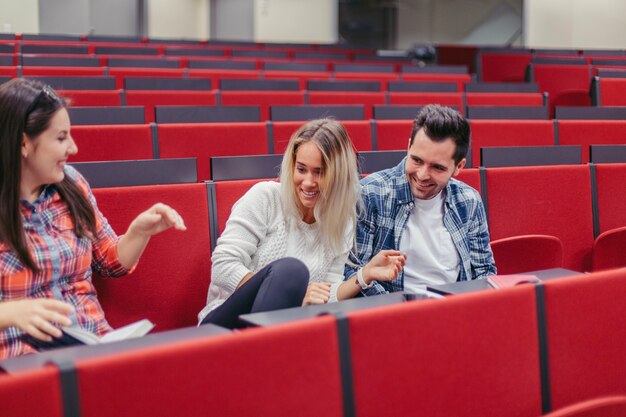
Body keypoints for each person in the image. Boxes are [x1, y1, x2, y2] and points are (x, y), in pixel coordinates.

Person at [0, 78, 187, 359]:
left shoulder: (72, 184)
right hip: (22, 359)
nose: (73, 148)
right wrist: (9, 312)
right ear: (23, 143)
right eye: (61, 138)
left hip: (93, 343)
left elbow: (111, 262)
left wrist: (139, 232)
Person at [198, 119, 405, 329]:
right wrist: (292, 295)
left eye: (320, 172)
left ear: (339, 175)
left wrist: (365, 274)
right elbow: (223, 267)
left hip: (285, 328)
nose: (308, 182)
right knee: (291, 271)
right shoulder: (265, 197)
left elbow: (326, 293)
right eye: (302, 169)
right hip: (224, 326)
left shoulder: (341, 219)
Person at [344, 104, 496, 296]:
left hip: (455, 311)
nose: (423, 175)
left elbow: (484, 272)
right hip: (394, 314)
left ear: (459, 166)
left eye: (437, 168)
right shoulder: (371, 193)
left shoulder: (469, 201)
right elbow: (353, 273)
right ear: (408, 147)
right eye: (416, 160)